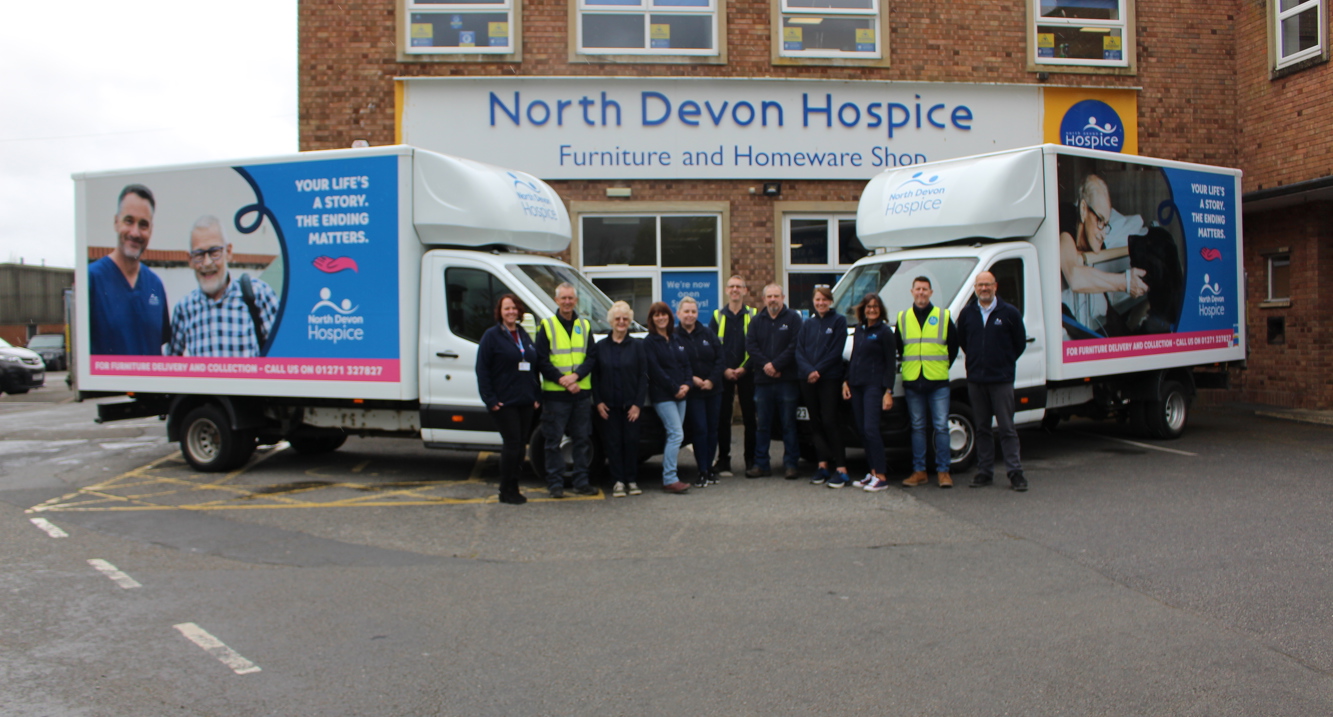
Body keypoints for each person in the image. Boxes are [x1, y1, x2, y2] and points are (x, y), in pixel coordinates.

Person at [167, 216, 279, 357]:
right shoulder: (184, 309)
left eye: (214, 252)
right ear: (190, 260)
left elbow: (285, 353)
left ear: (229, 252)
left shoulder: (260, 295)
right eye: (199, 255)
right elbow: (170, 366)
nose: (207, 263)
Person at [957, 272, 1028, 492]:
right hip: (977, 381)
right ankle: (985, 472)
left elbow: (1019, 344)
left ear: (995, 286)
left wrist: (1003, 363)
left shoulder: (1009, 313)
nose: (984, 288)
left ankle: (1015, 473)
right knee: (982, 429)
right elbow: (964, 342)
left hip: (1001, 381)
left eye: (988, 284)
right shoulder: (967, 314)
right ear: (975, 288)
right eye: (980, 285)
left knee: (1007, 428)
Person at [1059, 173, 1149, 337]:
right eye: (1099, 220)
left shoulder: (1099, 242)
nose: (1103, 234)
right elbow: (1075, 277)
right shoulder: (1066, 216)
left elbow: (1109, 311)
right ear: (1083, 209)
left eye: (1106, 224)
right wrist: (1125, 282)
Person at [88, 184, 169, 356]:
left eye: (143, 225)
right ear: (116, 222)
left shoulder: (155, 285)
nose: (135, 232)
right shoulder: (91, 280)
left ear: (151, 230)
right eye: (129, 221)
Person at [535, 282, 599, 499]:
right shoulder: (547, 325)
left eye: (571, 298)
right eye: (563, 298)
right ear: (556, 300)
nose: (567, 302)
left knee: (582, 440)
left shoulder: (585, 325)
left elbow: (592, 357)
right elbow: (541, 360)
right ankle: (555, 484)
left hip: (581, 392)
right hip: (555, 394)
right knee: (553, 441)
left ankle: (581, 482)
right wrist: (563, 380)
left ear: (576, 300)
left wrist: (576, 377)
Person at [476, 294, 541, 505]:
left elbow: (533, 365)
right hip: (504, 403)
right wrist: (490, 399)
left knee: (520, 446)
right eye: (506, 308)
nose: (511, 312)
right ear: (500, 312)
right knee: (512, 445)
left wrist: (536, 395)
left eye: (514, 308)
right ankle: (506, 490)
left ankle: (514, 486)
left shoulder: (523, 334)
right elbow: (482, 369)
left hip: (525, 401)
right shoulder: (491, 336)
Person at [896, 276, 960, 489]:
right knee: (917, 428)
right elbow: (899, 347)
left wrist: (940, 367)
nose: (921, 293)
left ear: (931, 293)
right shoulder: (903, 318)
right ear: (912, 292)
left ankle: (943, 471)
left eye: (925, 289)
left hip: (938, 381)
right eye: (918, 289)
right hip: (914, 381)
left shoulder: (943, 316)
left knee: (941, 427)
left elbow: (953, 346)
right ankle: (919, 471)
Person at [745, 283, 803, 479]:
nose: (773, 300)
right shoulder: (756, 321)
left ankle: (791, 464)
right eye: (769, 296)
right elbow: (751, 346)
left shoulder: (794, 319)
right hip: (763, 381)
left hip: (787, 380)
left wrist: (777, 365)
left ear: (783, 297)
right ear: (764, 299)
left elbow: (795, 345)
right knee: (763, 425)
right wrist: (767, 366)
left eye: (776, 296)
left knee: (788, 424)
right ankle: (761, 464)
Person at [795, 286, 849, 487]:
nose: (821, 303)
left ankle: (841, 468)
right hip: (807, 378)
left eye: (824, 300)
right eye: (817, 300)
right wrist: (809, 370)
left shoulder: (839, 321)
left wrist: (818, 371)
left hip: (829, 378)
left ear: (831, 301)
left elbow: (836, 351)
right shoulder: (807, 324)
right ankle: (822, 465)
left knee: (829, 421)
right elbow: (799, 350)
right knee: (814, 423)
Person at [593, 301, 648, 498]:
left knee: (631, 442)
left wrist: (637, 404)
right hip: (608, 406)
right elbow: (595, 377)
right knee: (613, 443)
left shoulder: (637, 346)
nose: (621, 322)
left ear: (630, 321)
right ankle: (617, 481)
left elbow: (643, 376)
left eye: (625, 319)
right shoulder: (600, 347)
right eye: (618, 319)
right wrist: (598, 401)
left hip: (630, 406)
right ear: (611, 321)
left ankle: (631, 480)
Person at [842, 293, 895, 492]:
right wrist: (846, 381)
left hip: (874, 386)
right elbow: (854, 357)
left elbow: (890, 364)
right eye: (868, 307)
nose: (872, 310)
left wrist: (887, 390)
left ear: (880, 309)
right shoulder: (859, 330)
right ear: (863, 309)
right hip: (856, 385)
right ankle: (872, 472)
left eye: (875, 306)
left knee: (872, 429)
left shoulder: (884, 332)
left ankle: (881, 475)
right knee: (863, 430)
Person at [709, 276, 757, 478]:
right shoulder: (717, 316)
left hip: (748, 373)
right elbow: (712, 347)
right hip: (724, 373)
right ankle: (724, 460)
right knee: (723, 418)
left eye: (739, 287)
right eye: (732, 286)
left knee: (750, 419)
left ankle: (751, 461)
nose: (735, 290)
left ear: (745, 291)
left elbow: (758, 346)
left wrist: (744, 368)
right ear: (727, 290)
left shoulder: (754, 315)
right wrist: (724, 369)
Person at [676, 296, 725, 488]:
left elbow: (720, 358)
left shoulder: (708, 333)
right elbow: (675, 364)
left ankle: (710, 467)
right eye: (686, 311)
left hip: (713, 389)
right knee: (700, 429)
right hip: (693, 392)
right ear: (678, 314)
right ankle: (702, 469)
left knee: (713, 430)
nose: (690, 315)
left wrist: (712, 380)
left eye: (693, 311)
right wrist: (693, 380)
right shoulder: (674, 336)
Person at [644, 301, 691, 494]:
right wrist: (674, 388)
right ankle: (670, 478)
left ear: (669, 317)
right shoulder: (649, 342)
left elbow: (687, 364)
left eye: (664, 314)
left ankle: (669, 475)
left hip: (682, 394)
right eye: (656, 315)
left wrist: (687, 384)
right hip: (664, 396)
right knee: (676, 434)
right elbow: (655, 370)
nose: (661, 318)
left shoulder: (676, 338)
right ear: (652, 319)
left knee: (674, 435)